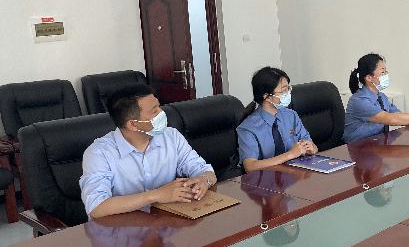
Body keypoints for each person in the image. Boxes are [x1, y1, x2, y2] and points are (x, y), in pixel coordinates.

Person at [80, 85, 216, 219]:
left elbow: (204, 170)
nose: (162, 113)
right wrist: (156, 195)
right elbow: (96, 207)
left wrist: (204, 180)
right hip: (123, 228)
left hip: (166, 223)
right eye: (154, 111)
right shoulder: (98, 153)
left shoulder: (171, 136)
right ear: (133, 124)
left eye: (159, 106)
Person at [343, 53, 409, 143]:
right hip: (357, 149)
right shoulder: (359, 101)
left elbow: (399, 116)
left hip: (376, 146)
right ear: (369, 78)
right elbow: (391, 119)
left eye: (386, 72)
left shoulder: (381, 97)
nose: (386, 75)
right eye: (382, 72)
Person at [237, 66, 318, 172]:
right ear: (267, 96)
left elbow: (311, 144)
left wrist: (311, 148)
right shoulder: (247, 128)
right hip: (265, 179)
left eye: (288, 89)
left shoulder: (291, 116)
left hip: (294, 175)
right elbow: (250, 166)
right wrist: (290, 154)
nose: (288, 94)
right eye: (283, 91)